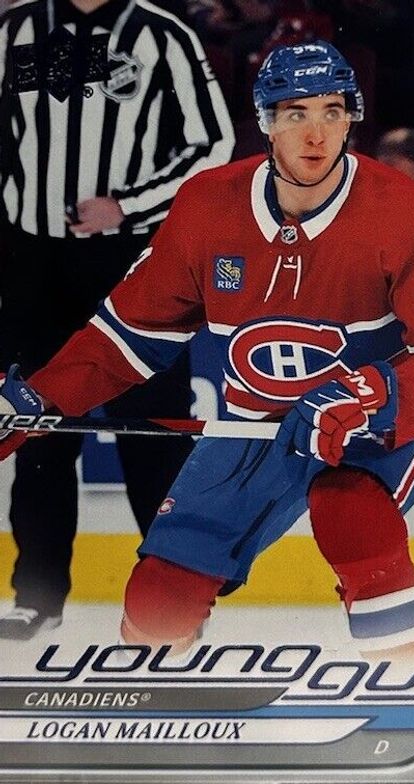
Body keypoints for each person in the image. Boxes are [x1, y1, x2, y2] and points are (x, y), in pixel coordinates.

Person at [0, 41, 414, 660]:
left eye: (332, 112)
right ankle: (145, 688)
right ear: (266, 122)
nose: (316, 134)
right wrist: (40, 398)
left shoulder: (402, 210)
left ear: (351, 118)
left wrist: (368, 395)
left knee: (350, 510)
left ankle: (398, 678)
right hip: (253, 425)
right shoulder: (208, 205)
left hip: (370, 423)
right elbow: (126, 338)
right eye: (296, 114)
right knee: (159, 598)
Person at [0, 0, 235, 640]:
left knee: (152, 433)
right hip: (33, 265)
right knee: (38, 428)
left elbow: (213, 144)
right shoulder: (15, 30)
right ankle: (37, 594)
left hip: (132, 261)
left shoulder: (160, 34)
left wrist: (128, 205)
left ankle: (171, 600)